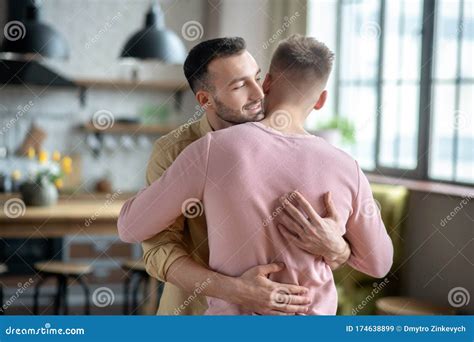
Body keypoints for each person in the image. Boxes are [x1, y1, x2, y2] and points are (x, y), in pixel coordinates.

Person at [121, 36, 386, 314]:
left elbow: (369, 256)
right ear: (205, 99)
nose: (259, 93)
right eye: (239, 85)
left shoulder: (296, 144)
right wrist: (236, 289)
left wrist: (337, 248)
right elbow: (157, 248)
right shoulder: (175, 150)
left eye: (257, 78)